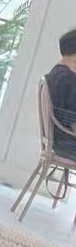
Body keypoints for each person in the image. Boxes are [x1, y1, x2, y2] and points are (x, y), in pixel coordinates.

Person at [45, 28, 76, 158]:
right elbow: (71, 120)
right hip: (67, 143)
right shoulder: (68, 79)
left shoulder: (56, 73)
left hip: (59, 141)